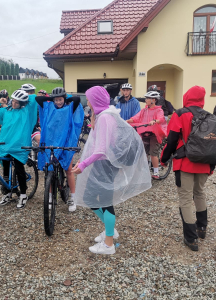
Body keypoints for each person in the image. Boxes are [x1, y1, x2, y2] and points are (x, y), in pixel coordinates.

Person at [72, 86, 151, 255]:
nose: (88, 103)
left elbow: (101, 150)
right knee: (90, 198)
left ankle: (108, 244)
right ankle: (110, 230)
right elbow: (95, 144)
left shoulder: (105, 118)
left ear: (96, 101)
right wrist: (83, 159)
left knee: (105, 202)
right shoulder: (103, 115)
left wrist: (84, 164)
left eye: (90, 100)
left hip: (105, 165)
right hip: (102, 164)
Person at [161, 86, 214, 251]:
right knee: (199, 193)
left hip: (185, 163)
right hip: (205, 162)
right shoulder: (210, 117)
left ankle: (191, 239)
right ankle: (202, 229)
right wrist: (211, 166)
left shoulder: (180, 114)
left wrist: (164, 159)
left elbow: (171, 140)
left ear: (187, 97)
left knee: (185, 198)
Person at [0, 89, 37, 208]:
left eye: (17, 102)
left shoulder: (27, 112)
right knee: (5, 169)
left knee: (19, 169)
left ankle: (23, 195)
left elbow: (33, 99)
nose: (13, 103)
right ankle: (8, 192)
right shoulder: (6, 111)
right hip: (6, 144)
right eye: (13, 100)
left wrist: (26, 95)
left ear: (23, 103)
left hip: (20, 145)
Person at [36, 87, 84, 212]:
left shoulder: (69, 108)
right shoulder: (48, 108)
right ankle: (50, 197)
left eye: (60, 99)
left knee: (68, 169)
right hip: (51, 142)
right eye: (55, 100)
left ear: (64, 99)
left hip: (66, 143)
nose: (58, 102)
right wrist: (50, 98)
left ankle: (73, 197)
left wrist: (67, 98)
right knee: (49, 170)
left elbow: (77, 99)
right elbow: (38, 98)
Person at [127, 91, 167, 179]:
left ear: (153, 100)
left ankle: (156, 172)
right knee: (143, 153)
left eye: (147, 98)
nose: (146, 100)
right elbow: (136, 117)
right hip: (145, 133)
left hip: (154, 134)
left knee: (153, 153)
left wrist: (155, 121)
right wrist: (129, 120)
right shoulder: (144, 110)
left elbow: (161, 118)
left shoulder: (158, 110)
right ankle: (143, 171)